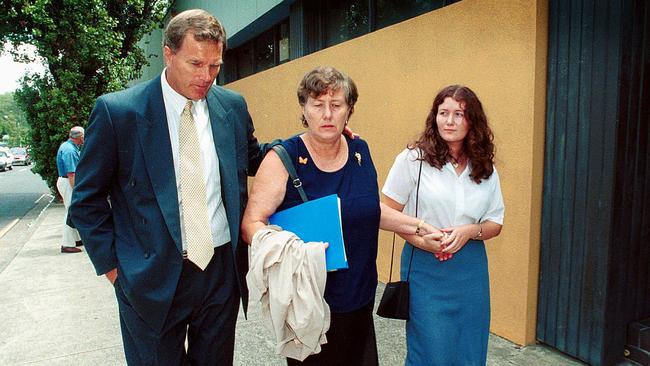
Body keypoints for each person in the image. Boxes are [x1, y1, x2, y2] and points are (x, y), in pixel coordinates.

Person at [70, 9, 268, 365]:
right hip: (149, 276)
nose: (206, 76)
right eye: (195, 64)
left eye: (215, 66)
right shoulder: (119, 113)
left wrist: (314, 141)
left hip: (220, 272)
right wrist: (117, 273)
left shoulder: (231, 107)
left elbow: (255, 158)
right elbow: (86, 201)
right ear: (168, 53)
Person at [241, 66, 441, 365]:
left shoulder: (360, 150)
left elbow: (366, 209)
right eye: (317, 105)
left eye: (336, 106)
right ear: (303, 108)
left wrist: (419, 226)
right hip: (309, 303)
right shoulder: (282, 158)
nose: (327, 114)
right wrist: (291, 249)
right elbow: (250, 225)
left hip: (359, 296)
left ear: (349, 111)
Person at [382, 85, 505, 365]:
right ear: (434, 117)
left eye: (459, 114)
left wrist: (468, 232)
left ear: (472, 120)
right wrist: (422, 236)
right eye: (443, 113)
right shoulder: (413, 160)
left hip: (470, 269)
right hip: (425, 266)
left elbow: (495, 222)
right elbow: (385, 213)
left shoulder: (485, 167)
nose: (449, 121)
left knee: (470, 350)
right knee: (431, 350)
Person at [56, 126, 84, 253]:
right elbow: (71, 174)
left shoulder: (68, 147)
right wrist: (77, 190)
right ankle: (67, 244)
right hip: (68, 182)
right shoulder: (70, 151)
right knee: (70, 212)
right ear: (80, 137)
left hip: (66, 181)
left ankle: (76, 239)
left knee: (72, 210)